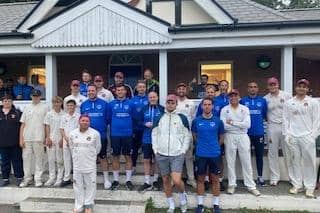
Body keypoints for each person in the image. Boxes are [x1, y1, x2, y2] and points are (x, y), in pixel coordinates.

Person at [152, 94, 191, 213]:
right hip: (162, 154)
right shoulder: (159, 117)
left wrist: (183, 149)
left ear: (176, 104)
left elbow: (187, 135)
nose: (170, 104)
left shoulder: (182, 118)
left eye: (173, 102)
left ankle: (183, 198)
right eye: (168, 102)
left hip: (177, 154)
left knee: (177, 180)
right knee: (165, 180)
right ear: (166, 103)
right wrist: (156, 149)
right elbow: (154, 134)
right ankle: (171, 204)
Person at [283, 79, 320, 198]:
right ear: (296, 88)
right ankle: (297, 185)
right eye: (299, 86)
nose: (301, 88)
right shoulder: (289, 102)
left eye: (304, 87)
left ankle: (309, 187)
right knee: (294, 161)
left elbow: (317, 120)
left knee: (309, 162)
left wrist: (313, 136)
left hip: (307, 136)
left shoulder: (313, 102)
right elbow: (285, 119)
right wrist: (287, 135)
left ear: (307, 89)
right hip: (293, 136)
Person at [220, 89, 260, 196]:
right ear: (229, 97)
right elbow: (223, 125)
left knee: (246, 161)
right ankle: (232, 185)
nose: (233, 98)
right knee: (230, 161)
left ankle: (251, 185)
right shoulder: (224, 109)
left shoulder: (245, 109)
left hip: (243, 136)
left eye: (235, 95)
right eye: (231, 96)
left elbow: (247, 125)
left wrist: (232, 122)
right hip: (229, 136)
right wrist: (239, 124)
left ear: (239, 97)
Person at [192, 97, 224, 213]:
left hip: (214, 154)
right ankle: (200, 204)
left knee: (215, 179)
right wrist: (201, 144)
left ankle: (216, 204)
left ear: (212, 106)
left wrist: (215, 146)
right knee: (200, 179)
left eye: (209, 104)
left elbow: (221, 137)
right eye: (204, 104)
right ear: (201, 106)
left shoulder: (218, 121)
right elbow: (194, 135)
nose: (207, 106)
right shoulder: (196, 121)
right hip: (201, 153)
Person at [80, 85, 111, 189]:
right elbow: (82, 120)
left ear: (96, 91)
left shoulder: (104, 104)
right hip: (86, 136)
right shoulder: (84, 104)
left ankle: (106, 180)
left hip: (101, 135)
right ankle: (88, 180)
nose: (91, 92)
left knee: (103, 157)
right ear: (87, 92)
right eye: (89, 91)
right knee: (88, 158)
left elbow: (108, 119)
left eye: (93, 90)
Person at [69, 115, 101, 213]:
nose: (85, 122)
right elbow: (71, 147)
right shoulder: (72, 133)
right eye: (83, 120)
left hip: (90, 165)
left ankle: (88, 205)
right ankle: (79, 205)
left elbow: (98, 148)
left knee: (90, 186)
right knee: (77, 186)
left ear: (89, 122)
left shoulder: (95, 133)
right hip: (77, 165)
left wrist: (90, 157)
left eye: (87, 121)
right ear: (79, 121)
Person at [264, 77, 292, 186]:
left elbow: (291, 111)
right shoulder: (265, 99)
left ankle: (292, 177)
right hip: (272, 126)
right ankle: (274, 177)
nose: (272, 86)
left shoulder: (287, 95)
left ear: (278, 84)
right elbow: (264, 113)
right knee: (272, 153)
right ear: (268, 86)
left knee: (288, 152)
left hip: (285, 127)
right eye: (270, 85)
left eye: (274, 84)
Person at [19, 89, 49, 187]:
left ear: (40, 96)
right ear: (31, 96)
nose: (35, 97)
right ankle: (27, 179)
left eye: (37, 96)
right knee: (26, 159)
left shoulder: (45, 107)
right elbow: (23, 124)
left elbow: (47, 124)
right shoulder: (27, 107)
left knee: (39, 159)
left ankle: (38, 179)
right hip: (27, 137)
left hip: (39, 137)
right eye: (33, 96)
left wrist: (46, 137)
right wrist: (21, 139)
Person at [240, 82, 268, 186]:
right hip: (245, 133)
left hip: (259, 133)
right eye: (250, 87)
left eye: (255, 87)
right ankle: (247, 178)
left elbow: (265, 115)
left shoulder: (263, 101)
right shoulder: (243, 101)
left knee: (259, 156)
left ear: (257, 89)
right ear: (248, 89)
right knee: (245, 156)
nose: (252, 89)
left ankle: (260, 177)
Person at [107, 85, 134, 190]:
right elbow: (108, 118)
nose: (120, 91)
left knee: (128, 156)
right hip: (115, 134)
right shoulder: (111, 104)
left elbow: (134, 117)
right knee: (115, 157)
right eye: (118, 90)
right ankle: (116, 180)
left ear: (125, 91)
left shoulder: (131, 103)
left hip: (127, 134)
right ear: (115, 92)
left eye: (122, 90)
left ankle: (128, 180)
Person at [138, 91, 164, 192]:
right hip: (147, 138)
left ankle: (155, 180)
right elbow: (138, 122)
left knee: (157, 160)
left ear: (157, 97)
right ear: (148, 99)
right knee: (146, 160)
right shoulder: (144, 109)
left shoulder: (161, 108)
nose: (152, 99)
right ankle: (147, 181)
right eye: (150, 97)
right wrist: (145, 124)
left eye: (154, 97)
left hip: (158, 139)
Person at [175, 83, 197, 188]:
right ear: (177, 90)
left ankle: (191, 179)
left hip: (187, 133)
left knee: (189, 157)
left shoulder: (191, 103)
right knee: (175, 157)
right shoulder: (173, 102)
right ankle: (175, 179)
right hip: (175, 134)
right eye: (179, 88)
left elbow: (192, 118)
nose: (181, 90)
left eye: (183, 88)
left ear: (186, 90)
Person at [0, 95, 23, 187]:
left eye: (9, 101)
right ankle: (5, 179)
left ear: (12, 102)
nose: (7, 102)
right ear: (2, 102)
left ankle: (19, 178)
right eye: (5, 101)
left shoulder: (17, 113)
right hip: (2, 143)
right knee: (4, 162)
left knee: (17, 161)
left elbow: (22, 127)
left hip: (15, 143)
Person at [44, 96, 65, 187]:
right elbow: (47, 126)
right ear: (52, 103)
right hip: (51, 138)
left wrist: (62, 139)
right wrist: (47, 138)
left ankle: (59, 178)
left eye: (58, 102)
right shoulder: (49, 114)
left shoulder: (64, 114)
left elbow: (65, 128)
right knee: (51, 159)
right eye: (55, 102)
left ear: (61, 103)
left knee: (60, 159)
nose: (56, 104)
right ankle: (52, 177)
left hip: (60, 138)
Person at [60, 99, 80, 187]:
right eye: (68, 106)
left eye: (72, 105)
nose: (70, 107)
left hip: (75, 142)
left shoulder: (79, 116)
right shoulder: (64, 117)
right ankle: (67, 178)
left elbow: (80, 129)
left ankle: (77, 179)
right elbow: (61, 129)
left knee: (76, 160)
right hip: (66, 141)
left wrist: (72, 140)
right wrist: (66, 139)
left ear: (75, 106)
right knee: (66, 160)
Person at [130, 80, 149, 173]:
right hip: (135, 128)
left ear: (146, 88)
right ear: (137, 88)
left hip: (146, 128)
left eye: (143, 87)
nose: (141, 89)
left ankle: (148, 169)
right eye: (140, 87)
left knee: (146, 148)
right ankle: (133, 166)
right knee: (134, 148)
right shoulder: (132, 100)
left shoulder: (149, 99)